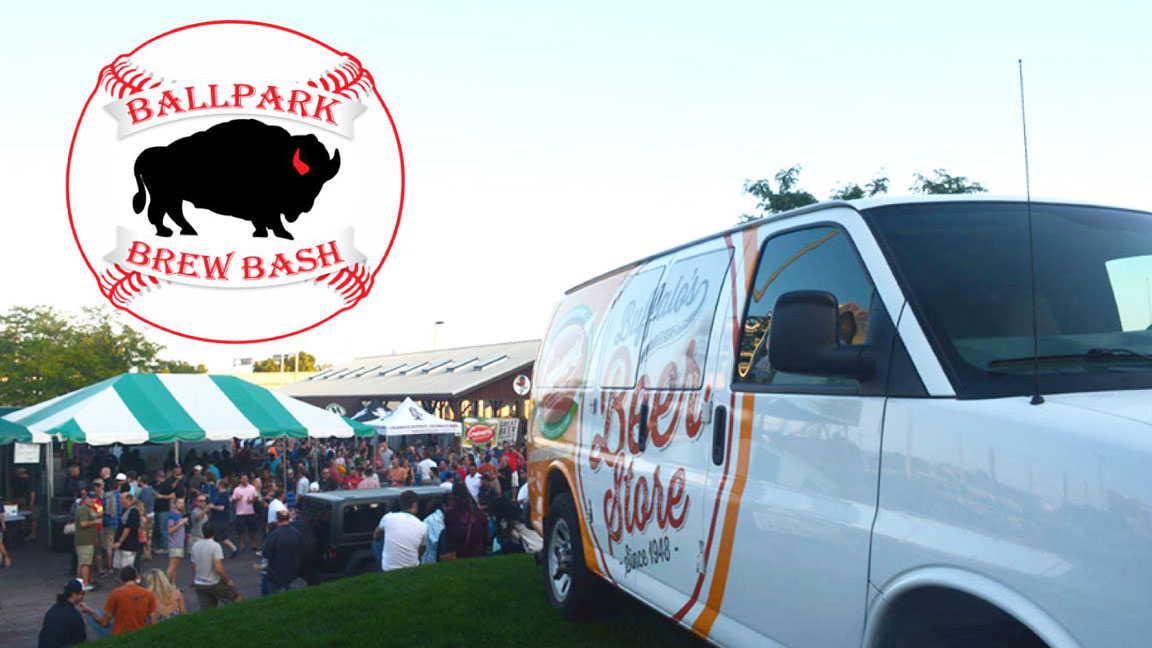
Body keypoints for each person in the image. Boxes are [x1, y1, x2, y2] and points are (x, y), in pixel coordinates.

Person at [190, 522, 243, 609]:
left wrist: (193, 579)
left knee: (208, 610)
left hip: (199, 583)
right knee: (237, 598)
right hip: (213, 582)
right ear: (214, 532)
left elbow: (193, 564)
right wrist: (227, 581)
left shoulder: (195, 545)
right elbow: (219, 569)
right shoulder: (215, 546)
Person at [92, 566, 156, 636]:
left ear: (121, 579)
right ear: (136, 577)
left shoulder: (116, 594)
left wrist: (89, 611)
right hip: (140, 636)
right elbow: (153, 623)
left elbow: (105, 623)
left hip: (120, 637)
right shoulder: (148, 594)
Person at [373, 490, 427, 571]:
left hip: (388, 568)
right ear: (414, 505)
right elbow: (421, 551)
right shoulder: (423, 526)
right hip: (412, 567)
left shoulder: (388, 517)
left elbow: (376, 535)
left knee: (376, 542)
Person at [260, 509, 301, 595]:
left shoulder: (274, 535)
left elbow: (266, 553)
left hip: (276, 571)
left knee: (272, 594)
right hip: (291, 570)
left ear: (278, 520)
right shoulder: (296, 533)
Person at [38, 580, 89, 648]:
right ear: (74, 594)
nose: (83, 596)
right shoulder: (73, 614)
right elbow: (81, 640)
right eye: (82, 594)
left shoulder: (53, 610)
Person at [444, 483, 489, 558]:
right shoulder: (479, 514)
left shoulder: (451, 515)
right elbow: (486, 535)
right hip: (478, 553)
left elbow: (449, 538)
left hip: (459, 554)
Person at [74, 490, 100, 591]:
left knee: (84, 562)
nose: (93, 500)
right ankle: (84, 584)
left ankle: (81, 582)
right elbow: (83, 524)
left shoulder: (90, 508)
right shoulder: (83, 509)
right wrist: (95, 521)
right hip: (84, 541)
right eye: (91, 498)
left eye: (94, 498)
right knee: (85, 563)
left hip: (89, 540)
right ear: (86, 499)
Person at [111, 489, 143, 571]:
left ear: (129, 500)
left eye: (122, 499)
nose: (120, 501)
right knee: (119, 566)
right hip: (122, 545)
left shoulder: (134, 511)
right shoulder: (123, 509)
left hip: (129, 544)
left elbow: (128, 528)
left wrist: (120, 541)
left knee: (127, 567)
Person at [231, 474, 260, 552]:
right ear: (240, 480)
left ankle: (253, 543)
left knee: (252, 529)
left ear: (248, 479)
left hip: (250, 511)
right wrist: (237, 499)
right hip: (240, 512)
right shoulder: (237, 489)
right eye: (243, 478)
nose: (244, 480)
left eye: (245, 478)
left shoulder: (252, 488)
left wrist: (252, 500)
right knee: (240, 530)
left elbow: (256, 497)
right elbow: (232, 500)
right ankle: (242, 544)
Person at [165, 497, 188, 583]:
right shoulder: (172, 516)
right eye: (179, 503)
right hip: (175, 544)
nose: (182, 505)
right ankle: (166, 585)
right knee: (172, 566)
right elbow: (170, 530)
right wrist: (181, 523)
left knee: (175, 567)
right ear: (174, 504)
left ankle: (173, 585)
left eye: (182, 503)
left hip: (179, 544)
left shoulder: (179, 515)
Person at [13, 467, 38, 542]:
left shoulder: (30, 481)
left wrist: (31, 504)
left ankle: (33, 534)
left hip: (33, 503)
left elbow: (32, 493)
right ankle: (28, 533)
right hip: (27, 502)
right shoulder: (23, 481)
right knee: (29, 519)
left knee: (33, 519)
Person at [135, 474, 155, 561]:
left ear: (141, 481)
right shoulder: (151, 489)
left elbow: (142, 504)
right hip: (151, 513)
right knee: (149, 534)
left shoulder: (144, 491)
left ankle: (146, 552)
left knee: (144, 534)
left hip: (146, 514)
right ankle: (148, 552)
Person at [421, 498, 447, 565]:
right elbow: (438, 542)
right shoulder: (434, 520)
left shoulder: (440, 519)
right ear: (444, 506)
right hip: (431, 562)